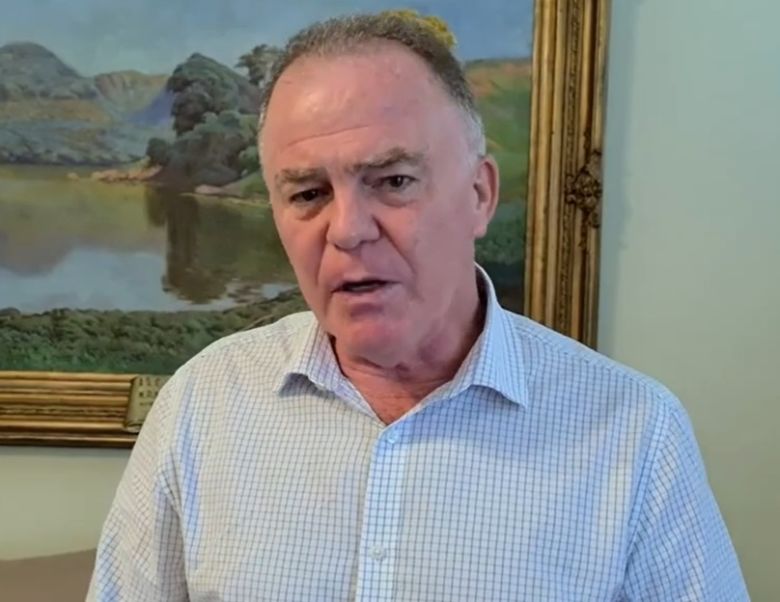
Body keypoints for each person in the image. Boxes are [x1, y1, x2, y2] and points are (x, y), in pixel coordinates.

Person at [87, 13, 749, 601]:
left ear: (479, 195)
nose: (348, 231)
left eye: (394, 181)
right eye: (309, 193)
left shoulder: (635, 433)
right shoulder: (201, 405)